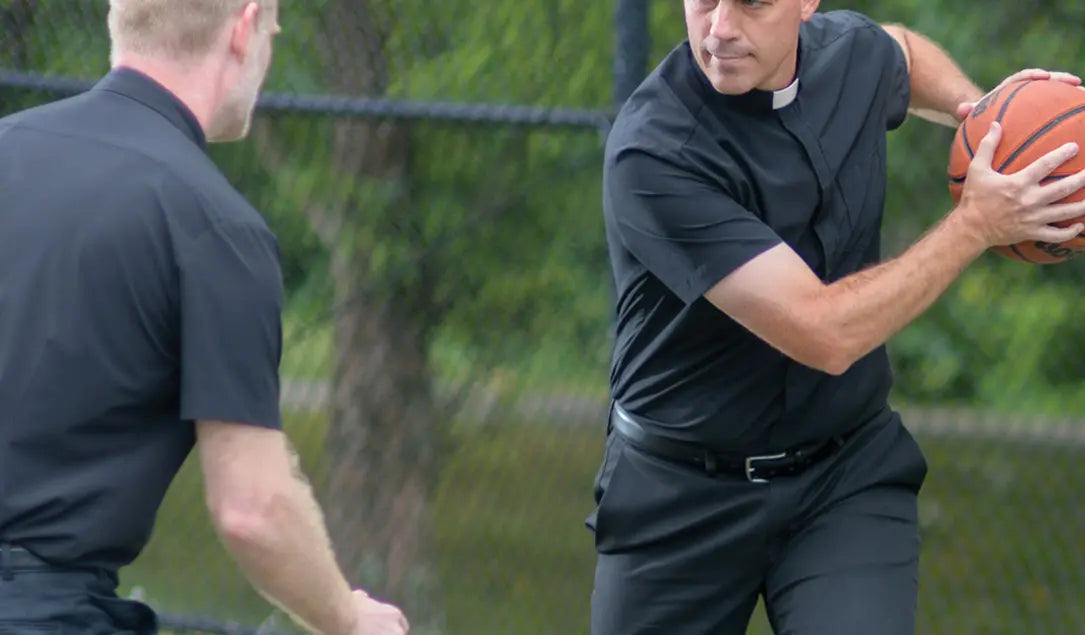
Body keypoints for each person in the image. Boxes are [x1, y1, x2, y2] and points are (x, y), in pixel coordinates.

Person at [588, 1, 1085, 634]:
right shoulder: (654, 153)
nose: (720, 28)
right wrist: (977, 223)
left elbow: (899, 51)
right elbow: (824, 332)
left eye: (752, 3)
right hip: (680, 498)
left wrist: (993, 123)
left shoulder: (848, 53)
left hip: (842, 478)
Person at [0, 1, 409, 634]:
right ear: (244, 28)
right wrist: (349, 619)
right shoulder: (213, 226)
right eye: (273, 32)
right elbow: (254, 510)